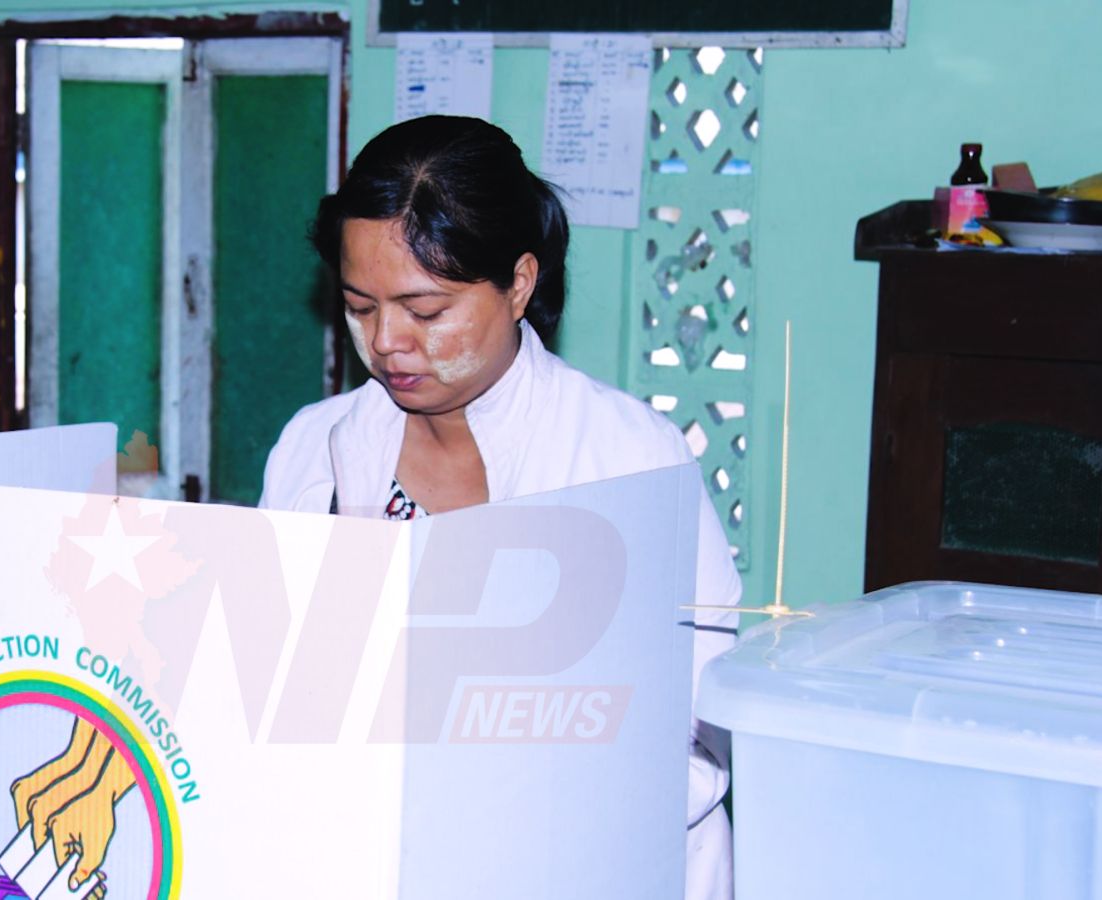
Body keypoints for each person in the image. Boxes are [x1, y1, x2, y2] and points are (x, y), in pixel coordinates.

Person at [259, 115, 741, 900]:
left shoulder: (630, 460)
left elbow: (701, 730)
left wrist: (518, 825)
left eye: (425, 311)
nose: (387, 343)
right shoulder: (314, 450)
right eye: (360, 306)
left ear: (518, 284)